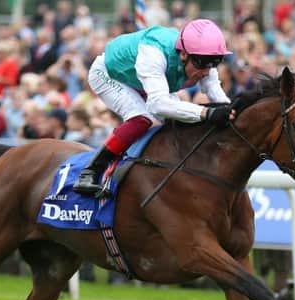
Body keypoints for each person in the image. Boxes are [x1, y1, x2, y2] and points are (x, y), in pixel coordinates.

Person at [72, 19, 235, 196]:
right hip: (109, 74)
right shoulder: (154, 53)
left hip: (141, 80)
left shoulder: (201, 57)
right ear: (183, 55)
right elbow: (157, 105)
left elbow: (219, 99)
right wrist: (206, 113)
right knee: (141, 119)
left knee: (180, 118)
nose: (206, 71)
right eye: (202, 63)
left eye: (214, 63)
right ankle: (91, 172)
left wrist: (231, 113)